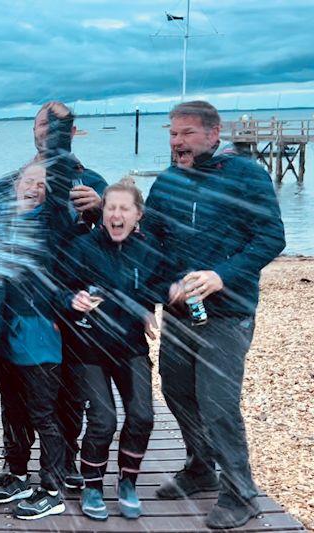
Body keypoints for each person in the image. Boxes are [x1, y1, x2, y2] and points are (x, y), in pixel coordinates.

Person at [145, 101, 285, 529]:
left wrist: (222, 275)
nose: (177, 142)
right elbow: (151, 246)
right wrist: (162, 287)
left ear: (213, 132)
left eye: (187, 133)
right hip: (180, 312)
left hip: (229, 313)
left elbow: (271, 237)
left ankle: (241, 493)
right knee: (177, 392)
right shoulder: (166, 183)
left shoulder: (246, 174)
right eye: (172, 133)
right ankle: (200, 465)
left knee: (218, 403)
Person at [0, 101, 107, 491]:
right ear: (33, 129)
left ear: (72, 133)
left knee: (68, 394)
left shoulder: (88, 181)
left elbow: (120, 237)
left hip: (69, 307)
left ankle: (63, 463)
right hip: (18, 307)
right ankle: (16, 466)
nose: (48, 131)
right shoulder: (14, 180)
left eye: (58, 126)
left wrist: (103, 208)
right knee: (15, 393)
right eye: (43, 124)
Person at [65, 178, 166, 521]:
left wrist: (148, 310)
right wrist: (71, 298)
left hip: (130, 347)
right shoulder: (82, 246)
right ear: (102, 212)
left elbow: (153, 288)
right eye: (111, 208)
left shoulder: (148, 249)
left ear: (138, 215)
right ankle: (92, 485)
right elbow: (58, 289)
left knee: (142, 415)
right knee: (103, 419)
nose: (117, 214)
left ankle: (127, 481)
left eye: (125, 209)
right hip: (88, 348)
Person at [0, 163, 67, 521]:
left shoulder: (51, 223)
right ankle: (17, 473)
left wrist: (57, 135)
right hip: (5, 331)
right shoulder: (3, 224)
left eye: (42, 183)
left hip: (39, 331)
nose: (34, 188)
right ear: (16, 185)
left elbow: (60, 190)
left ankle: (52, 489)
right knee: (12, 407)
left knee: (43, 412)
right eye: (28, 181)